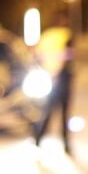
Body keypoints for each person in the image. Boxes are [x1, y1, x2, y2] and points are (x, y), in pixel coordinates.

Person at [35, 12, 74, 155]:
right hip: (62, 77)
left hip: (49, 77)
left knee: (47, 111)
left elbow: (37, 55)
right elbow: (70, 56)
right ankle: (66, 144)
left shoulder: (46, 36)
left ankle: (38, 140)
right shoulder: (66, 34)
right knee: (63, 113)